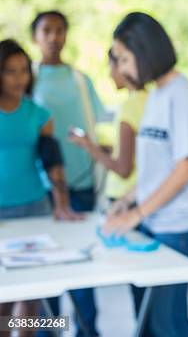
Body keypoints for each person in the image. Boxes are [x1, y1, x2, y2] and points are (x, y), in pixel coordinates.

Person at [103, 12, 188, 337]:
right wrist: (126, 200)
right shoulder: (156, 95)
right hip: (156, 221)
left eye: (124, 58)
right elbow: (157, 168)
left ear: (144, 50)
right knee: (150, 319)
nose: (121, 68)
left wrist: (136, 213)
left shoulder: (182, 94)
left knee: (168, 322)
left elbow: (184, 167)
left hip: (180, 225)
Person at [30, 10, 104, 337]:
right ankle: (50, 332)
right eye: (46, 30)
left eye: (60, 30)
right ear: (36, 36)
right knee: (45, 272)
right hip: (42, 187)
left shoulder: (80, 80)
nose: (53, 37)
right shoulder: (26, 79)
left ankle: (88, 331)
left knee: (82, 271)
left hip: (82, 183)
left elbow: (96, 126)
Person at [0, 38, 80, 335]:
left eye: (24, 70)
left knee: (31, 294)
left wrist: (62, 205)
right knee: (3, 301)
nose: (19, 78)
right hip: (1, 215)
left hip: (35, 207)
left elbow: (52, 163)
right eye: (10, 71)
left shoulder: (38, 114)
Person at [70, 49, 148, 204]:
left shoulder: (128, 107)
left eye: (110, 67)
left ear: (123, 65)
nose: (109, 74)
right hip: (143, 192)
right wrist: (107, 149)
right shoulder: (150, 99)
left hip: (124, 197)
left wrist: (89, 146)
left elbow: (123, 169)